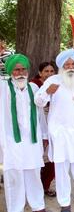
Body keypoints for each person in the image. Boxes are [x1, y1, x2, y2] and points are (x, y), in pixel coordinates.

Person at [35, 49, 74, 212]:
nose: (70, 66)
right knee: (62, 167)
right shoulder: (52, 81)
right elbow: (39, 101)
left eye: (73, 64)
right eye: (67, 64)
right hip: (60, 132)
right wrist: (47, 92)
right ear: (62, 66)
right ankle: (64, 203)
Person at [0, 54, 47, 212]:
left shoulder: (34, 88)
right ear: (10, 72)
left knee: (34, 172)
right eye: (16, 70)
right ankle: (15, 208)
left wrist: (45, 135)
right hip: (11, 140)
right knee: (14, 175)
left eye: (23, 69)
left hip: (32, 140)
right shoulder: (3, 87)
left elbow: (40, 114)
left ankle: (38, 205)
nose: (20, 72)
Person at [30, 61, 58, 197]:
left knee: (52, 159)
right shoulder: (34, 86)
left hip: (54, 124)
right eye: (46, 71)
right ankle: (35, 190)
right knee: (39, 158)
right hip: (39, 124)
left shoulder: (58, 85)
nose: (49, 74)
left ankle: (45, 187)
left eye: (52, 71)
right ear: (40, 73)